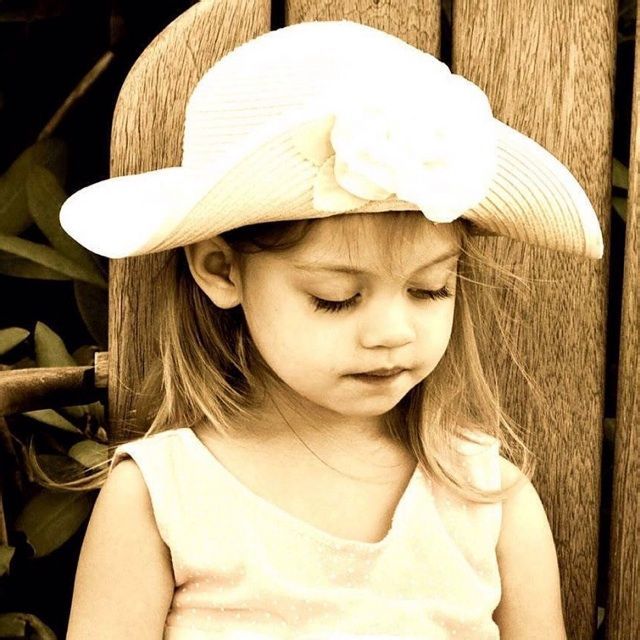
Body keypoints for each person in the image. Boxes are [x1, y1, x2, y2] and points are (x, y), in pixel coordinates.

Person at [60, 20, 603, 640]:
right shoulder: (163, 499)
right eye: (336, 298)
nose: (392, 332)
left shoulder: (486, 501)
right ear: (221, 269)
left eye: (430, 289)